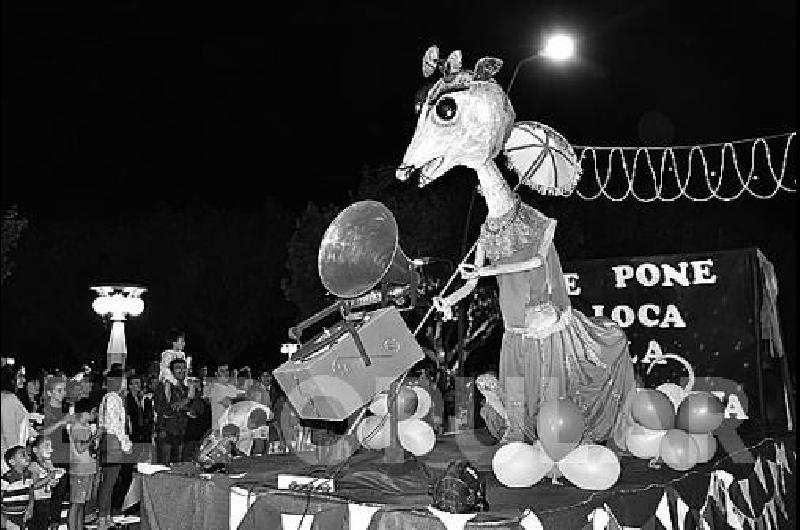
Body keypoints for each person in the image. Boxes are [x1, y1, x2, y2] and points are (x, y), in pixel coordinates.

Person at [96, 367, 132, 530]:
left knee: (110, 481)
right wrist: (125, 444)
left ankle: (107, 515)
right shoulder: (112, 398)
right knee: (108, 482)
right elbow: (114, 425)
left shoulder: (112, 397)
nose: (126, 383)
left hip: (111, 440)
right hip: (113, 441)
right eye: (124, 379)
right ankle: (102, 518)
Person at [37, 376, 72, 527]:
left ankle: (55, 522)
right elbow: (40, 433)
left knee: (60, 493)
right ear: (50, 392)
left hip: (64, 453)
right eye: (59, 390)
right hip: (49, 456)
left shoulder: (64, 409)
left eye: (64, 390)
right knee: (47, 493)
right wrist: (61, 423)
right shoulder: (44, 410)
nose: (63, 393)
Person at [68, 399, 99, 530]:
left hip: (87, 468)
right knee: (76, 503)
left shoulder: (85, 426)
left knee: (82, 503)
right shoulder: (78, 427)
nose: (95, 415)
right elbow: (80, 448)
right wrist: (95, 437)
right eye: (94, 412)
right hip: (80, 469)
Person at [154, 359, 191, 464]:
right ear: (171, 371)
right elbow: (161, 408)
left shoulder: (185, 388)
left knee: (177, 467)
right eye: (178, 368)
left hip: (181, 433)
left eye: (184, 368)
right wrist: (185, 402)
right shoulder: (164, 387)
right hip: (166, 433)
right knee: (164, 467)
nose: (182, 370)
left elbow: (194, 410)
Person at [2, 366, 35, 476]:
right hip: (9, 459)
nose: (24, 380)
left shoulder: (9, 398)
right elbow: (8, 432)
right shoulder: (8, 399)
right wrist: (18, 460)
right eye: (20, 376)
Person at [28, 435, 64, 530]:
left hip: (47, 499)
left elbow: (49, 483)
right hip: (37, 502)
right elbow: (34, 485)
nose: (50, 450)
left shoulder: (48, 463)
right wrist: (49, 477)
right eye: (46, 446)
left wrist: (53, 481)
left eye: (51, 446)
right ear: (35, 450)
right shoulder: (33, 465)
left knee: (44, 524)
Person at [203, 364, 244, 429]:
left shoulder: (232, 387)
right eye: (222, 371)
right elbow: (228, 402)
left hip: (234, 428)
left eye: (227, 370)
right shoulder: (214, 387)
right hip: (219, 429)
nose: (226, 373)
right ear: (216, 374)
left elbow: (245, 395)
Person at [158, 329, 189, 403]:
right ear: (174, 343)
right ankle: (167, 403)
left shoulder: (182, 354)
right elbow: (165, 370)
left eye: (184, 341)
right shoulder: (168, 354)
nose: (184, 343)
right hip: (169, 379)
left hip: (180, 380)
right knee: (167, 384)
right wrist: (174, 381)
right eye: (181, 341)